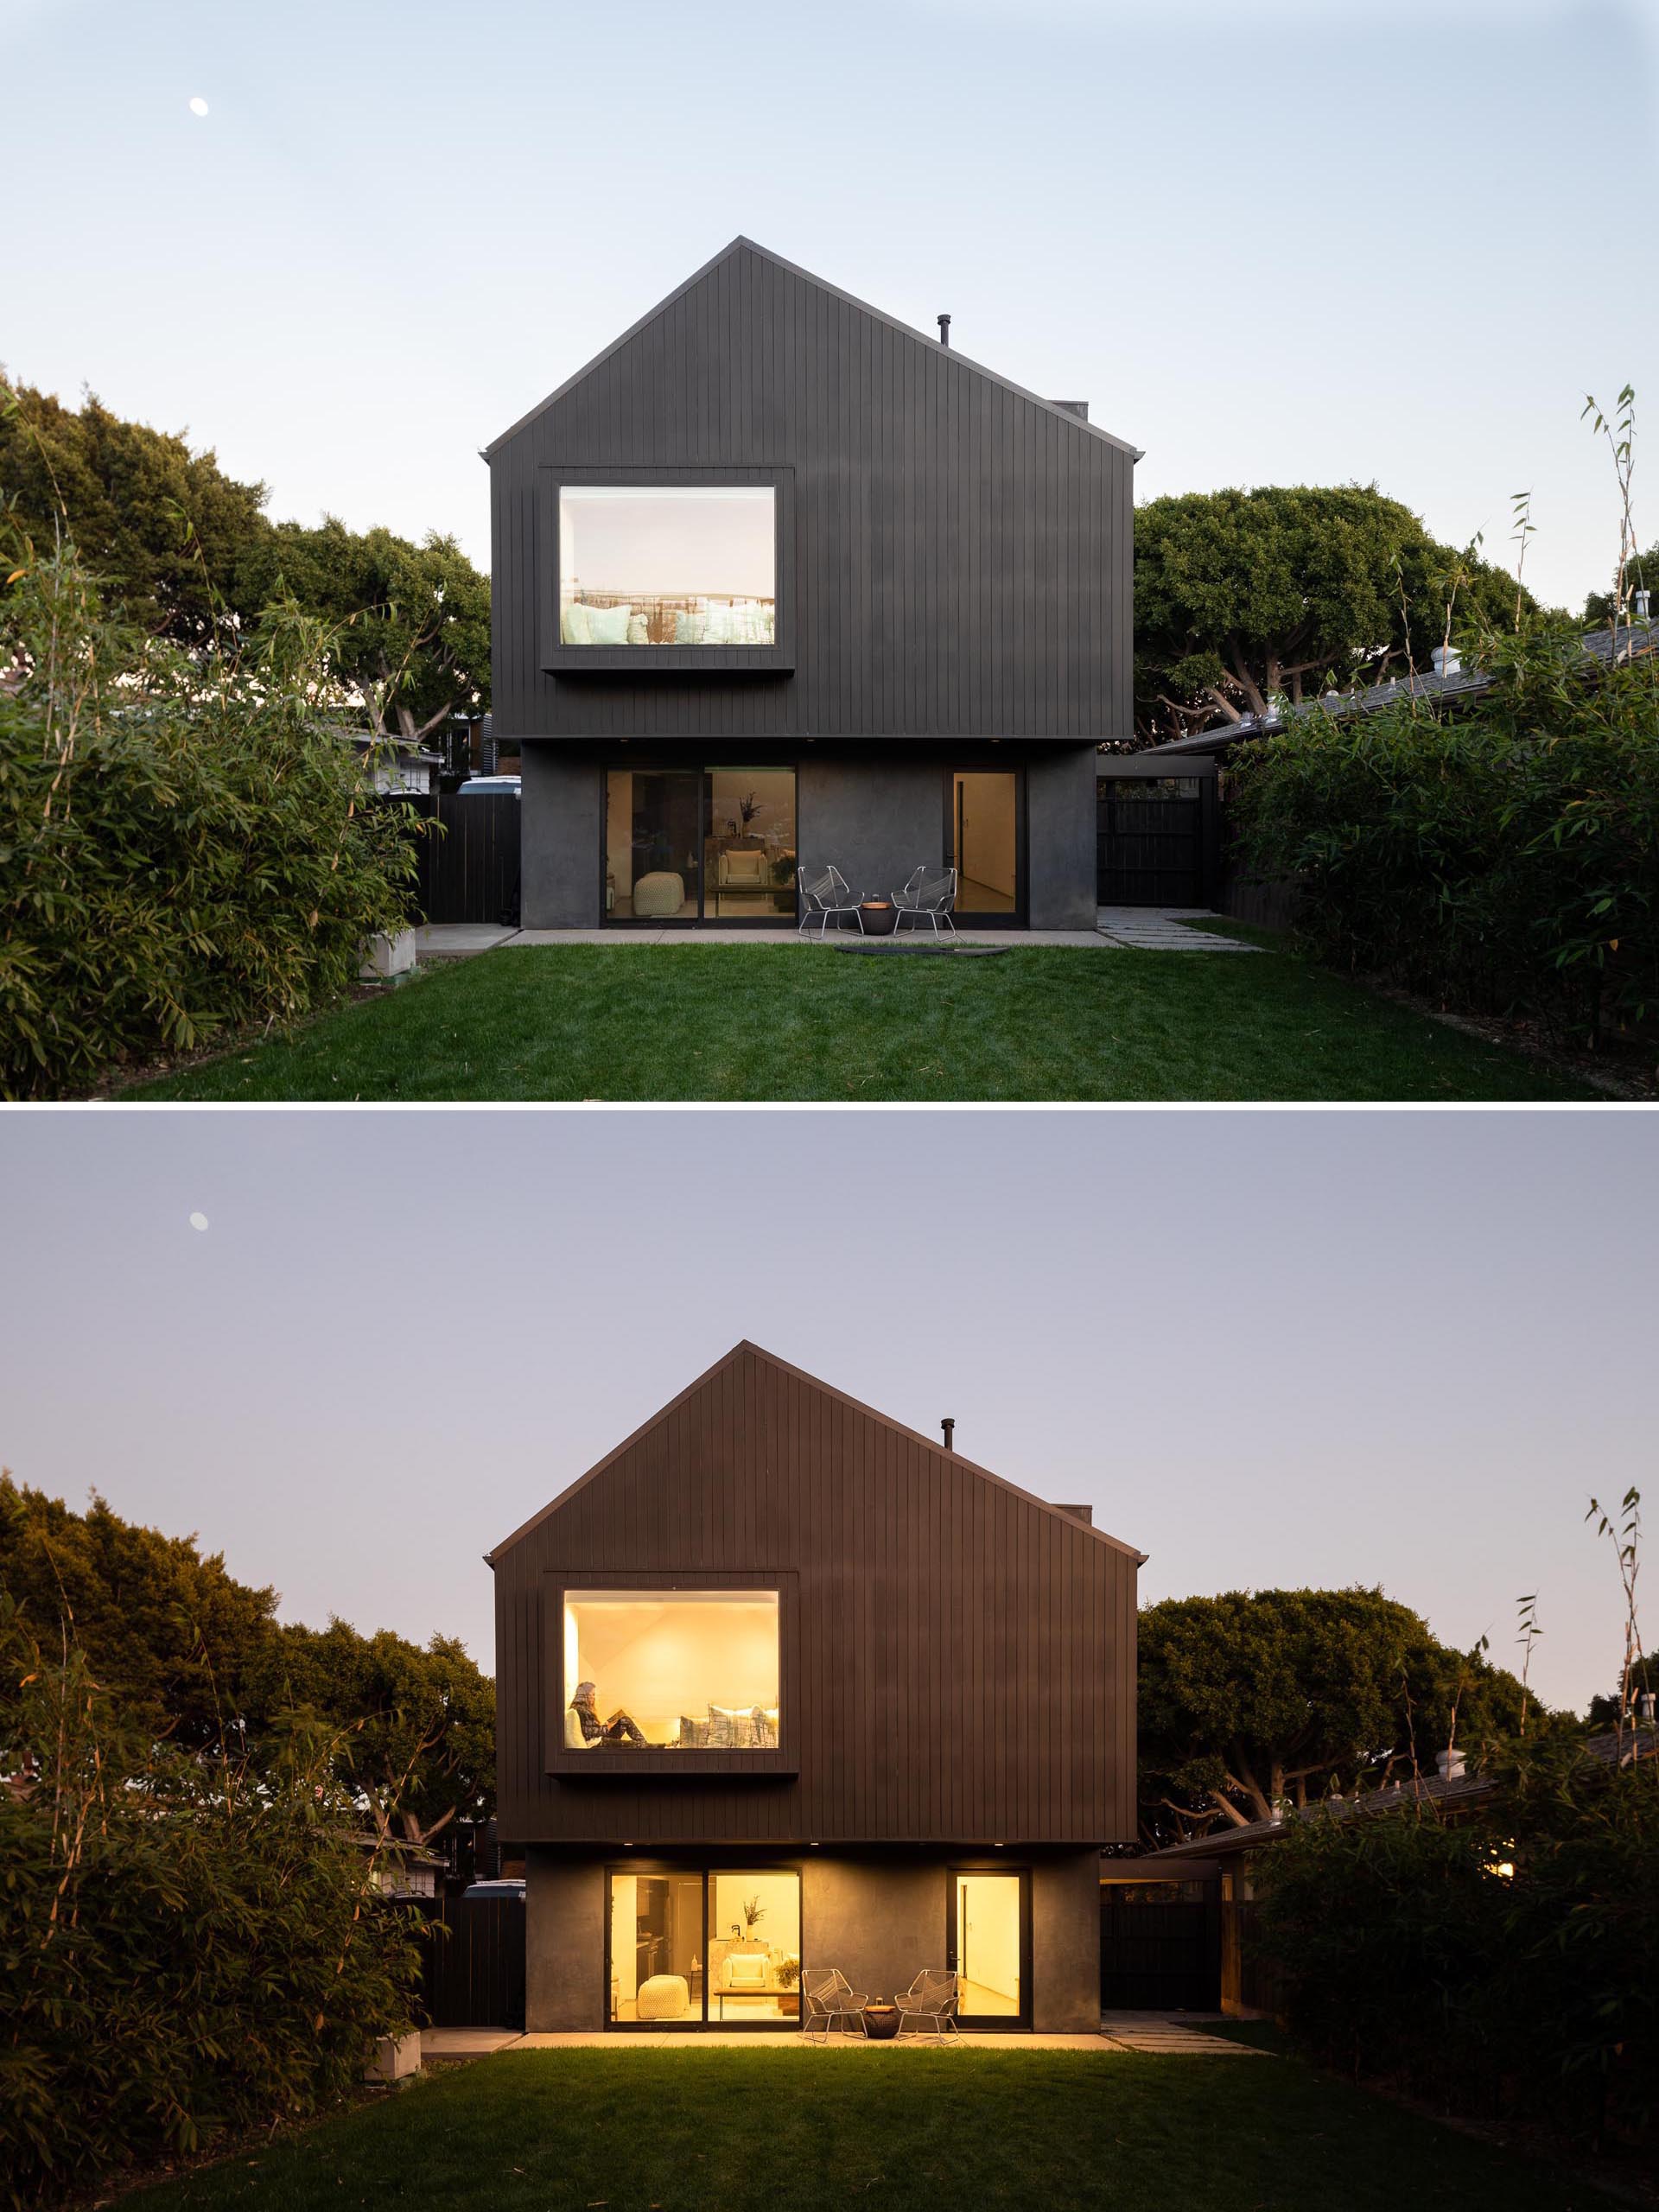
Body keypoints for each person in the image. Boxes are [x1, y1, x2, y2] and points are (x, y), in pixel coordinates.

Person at [570, 1678, 649, 1746]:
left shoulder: (583, 1709)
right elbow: (589, 1733)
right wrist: (607, 1727)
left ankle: (644, 1745)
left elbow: (591, 1729)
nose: (594, 1698)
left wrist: (605, 1725)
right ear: (585, 1695)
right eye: (592, 1695)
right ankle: (645, 1746)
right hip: (597, 1744)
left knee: (624, 1720)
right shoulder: (581, 1710)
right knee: (634, 1744)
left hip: (599, 1739)